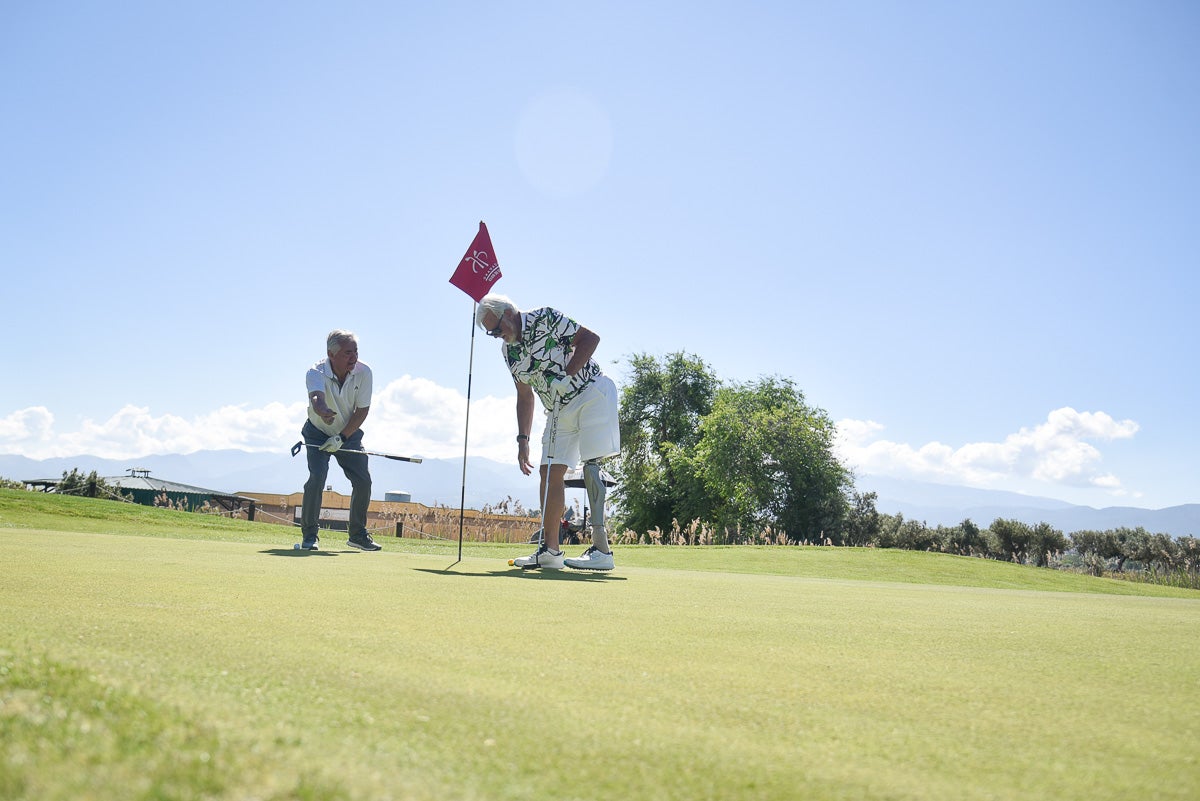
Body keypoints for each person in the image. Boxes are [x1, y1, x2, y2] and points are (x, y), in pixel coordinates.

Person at [476, 294, 620, 571]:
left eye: (496, 328)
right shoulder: (509, 352)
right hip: (557, 408)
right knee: (549, 471)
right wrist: (523, 440)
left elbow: (591, 339)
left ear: (508, 313)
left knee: (592, 465)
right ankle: (551, 551)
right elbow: (524, 396)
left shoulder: (545, 317)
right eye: (490, 333)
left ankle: (602, 551)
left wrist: (567, 374)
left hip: (591, 392)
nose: (496, 335)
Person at [299, 330, 381, 552]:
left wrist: (342, 437)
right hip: (317, 431)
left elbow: (362, 410)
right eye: (347, 353)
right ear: (331, 354)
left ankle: (357, 535)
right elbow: (317, 398)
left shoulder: (365, 372)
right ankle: (310, 536)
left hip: (348, 432)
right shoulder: (315, 372)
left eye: (355, 351)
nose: (353, 357)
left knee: (363, 481)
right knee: (317, 477)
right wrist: (323, 410)